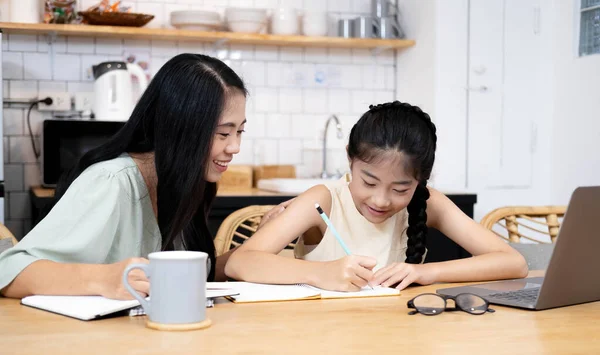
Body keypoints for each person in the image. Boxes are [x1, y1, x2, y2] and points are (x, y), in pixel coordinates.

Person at [0, 53, 248, 299]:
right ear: (179, 128)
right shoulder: (111, 181)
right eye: (223, 134)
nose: (235, 146)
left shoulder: (182, 183)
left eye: (240, 131)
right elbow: (8, 269)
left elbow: (191, 276)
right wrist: (102, 279)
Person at [225, 101, 528, 291]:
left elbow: (513, 263)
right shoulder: (325, 200)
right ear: (350, 161)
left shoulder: (429, 202)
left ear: (421, 180)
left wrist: (426, 272)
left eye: (400, 189)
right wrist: (321, 273)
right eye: (369, 182)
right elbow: (241, 263)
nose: (381, 200)